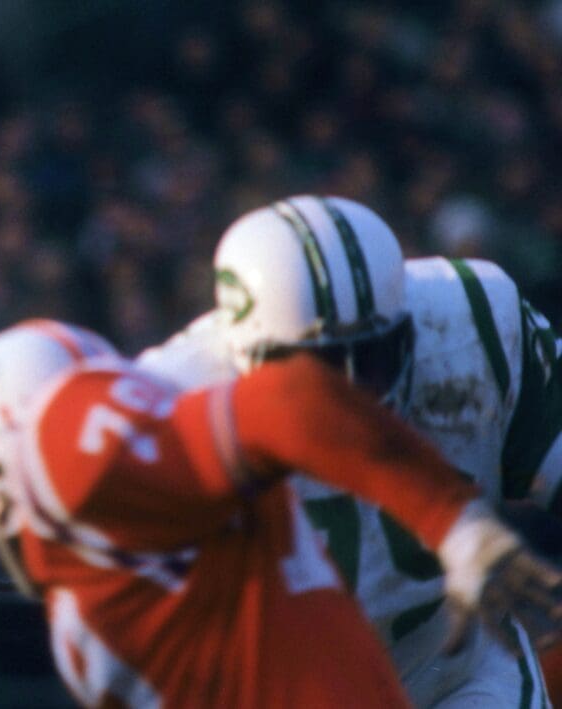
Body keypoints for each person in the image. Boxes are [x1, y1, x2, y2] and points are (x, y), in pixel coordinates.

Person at [0, 317, 562, 708]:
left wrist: (451, 520)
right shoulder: (82, 611)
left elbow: (291, 395)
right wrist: (458, 525)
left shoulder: (61, 448)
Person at [137, 194, 562, 706]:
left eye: (372, 355)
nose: (350, 395)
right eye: (320, 371)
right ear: (245, 355)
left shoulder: (469, 326)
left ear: (406, 328)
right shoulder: (168, 411)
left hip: (456, 674)